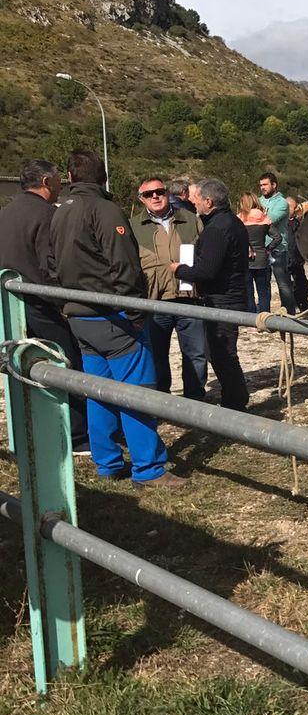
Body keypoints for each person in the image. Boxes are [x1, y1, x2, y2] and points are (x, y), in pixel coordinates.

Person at [48, 150, 182, 489]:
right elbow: (126, 266)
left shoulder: (60, 211)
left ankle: (107, 462)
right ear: (103, 176)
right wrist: (135, 311)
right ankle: (149, 469)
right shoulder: (105, 210)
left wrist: (66, 303)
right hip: (112, 316)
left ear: (70, 176)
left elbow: (51, 264)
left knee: (99, 392)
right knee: (136, 391)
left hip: (79, 315)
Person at [0, 159, 89, 453]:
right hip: (40, 304)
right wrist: (64, 302)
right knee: (67, 361)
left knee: (22, 367)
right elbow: (48, 267)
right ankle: (77, 437)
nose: (62, 184)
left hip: (10, 306)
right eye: (58, 180)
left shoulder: (7, 212)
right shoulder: (47, 215)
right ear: (47, 181)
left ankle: (31, 433)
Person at [173, 179, 249, 411]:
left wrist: (180, 269)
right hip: (230, 295)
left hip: (222, 299)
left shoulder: (217, 228)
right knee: (220, 351)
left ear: (209, 201)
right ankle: (234, 397)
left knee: (222, 352)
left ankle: (235, 401)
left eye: (196, 199)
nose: (193, 203)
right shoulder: (232, 222)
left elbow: (207, 270)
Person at [132, 175, 207, 401]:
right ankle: (162, 402)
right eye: (148, 194)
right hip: (155, 303)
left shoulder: (191, 219)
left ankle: (194, 402)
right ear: (141, 199)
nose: (155, 196)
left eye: (160, 191)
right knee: (157, 356)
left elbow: (204, 254)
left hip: (189, 299)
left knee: (196, 354)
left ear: (167, 193)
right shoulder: (133, 226)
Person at [258, 172, 296, 314]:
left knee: (283, 284)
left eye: (265, 184)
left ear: (274, 185)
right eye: (261, 185)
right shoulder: (258, 201)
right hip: (260, 248)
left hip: (277, 249)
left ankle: (289, 313)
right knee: (263, 284)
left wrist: (253, 218)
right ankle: (264, 314)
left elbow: (269, 220)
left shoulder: (282, 203)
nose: (262, 187)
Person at [238, 193, 272, 312]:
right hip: (262, 258)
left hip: (245, 259)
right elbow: (277, 237)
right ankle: (265, 317)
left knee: (248, 290)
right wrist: (268, 249)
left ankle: (251, 317)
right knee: (263, 291)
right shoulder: (264, 218)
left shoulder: (239, 219)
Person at [286, 196, 308, 310]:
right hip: (286, 258)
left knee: (301, 282)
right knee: (286, 284)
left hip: (297, 258)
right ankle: (289, 305)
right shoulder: (281, 223)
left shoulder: (298, 222)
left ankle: (305, 303)